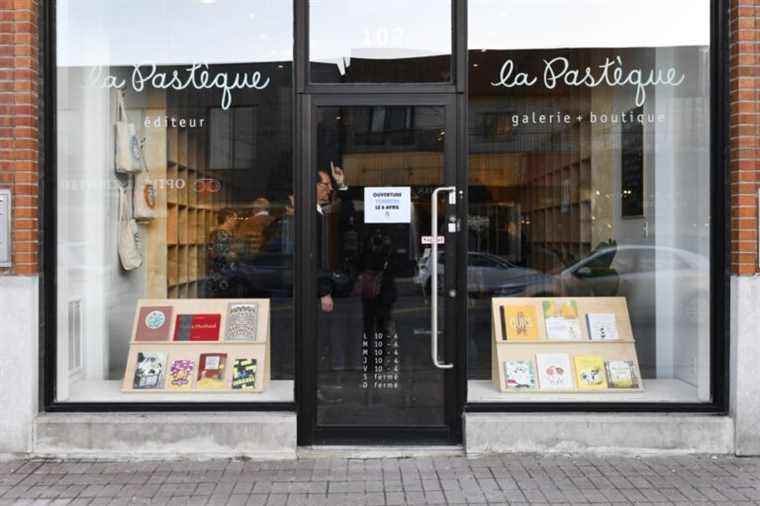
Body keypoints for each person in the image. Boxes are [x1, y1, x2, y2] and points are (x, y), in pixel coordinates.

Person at [206, 208, 243, 297]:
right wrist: (239, 254)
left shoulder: (218, 232)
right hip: (224, 277)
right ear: (227, 218)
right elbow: (223, 255)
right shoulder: (222, 234)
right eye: (234, 218)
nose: (236, 222)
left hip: (221, 275)